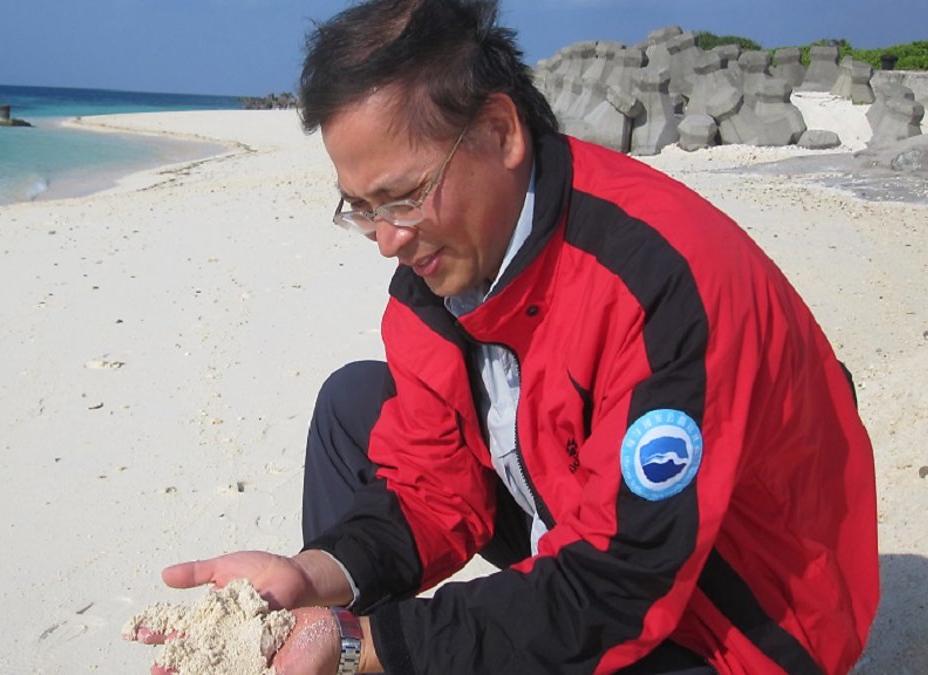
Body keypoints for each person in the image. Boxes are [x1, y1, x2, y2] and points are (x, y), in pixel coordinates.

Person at [134, 0, 880, 672]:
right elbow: (432, 488)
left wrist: (371, 644)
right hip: (574, 509)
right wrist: (315, 573)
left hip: (733, 612)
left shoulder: (664, 286)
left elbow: (618, 587)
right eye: (360, 207)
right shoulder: (437, 275)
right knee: (354, 403)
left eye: (404, 196)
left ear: (501, 131)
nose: (387, 240)